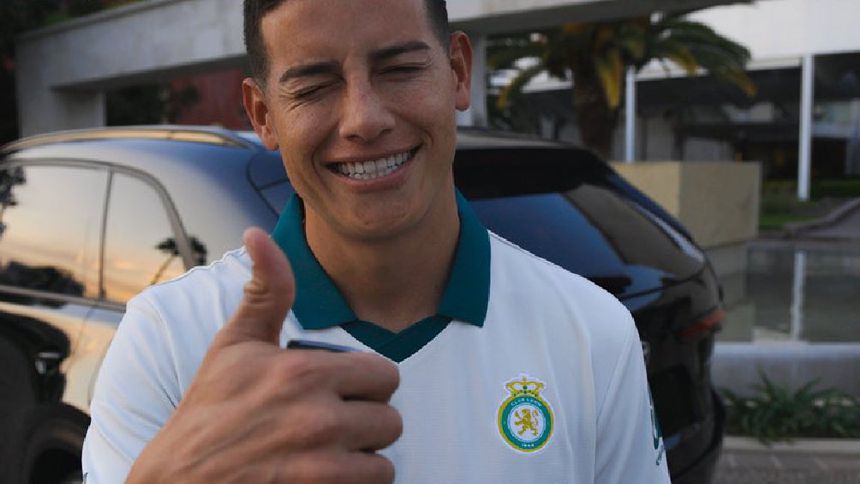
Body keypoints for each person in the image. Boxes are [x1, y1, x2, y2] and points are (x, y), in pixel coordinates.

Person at [82, 0, 670, 482]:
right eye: (314, 87)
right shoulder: (167, 340)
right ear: (262, 115)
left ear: (458, 72)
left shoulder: (592, 332)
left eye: (399, 70)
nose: (364, 119)